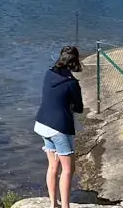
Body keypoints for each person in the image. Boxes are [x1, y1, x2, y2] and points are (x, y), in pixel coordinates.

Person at [34, 46, 84, 208]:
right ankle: (65, 206)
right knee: (68, 169)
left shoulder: (48, 73)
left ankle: (53, 203)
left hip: (42, 123)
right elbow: (79, 108)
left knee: (53, 166)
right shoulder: (72, 83)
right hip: (59, 128)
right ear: (75, 62)